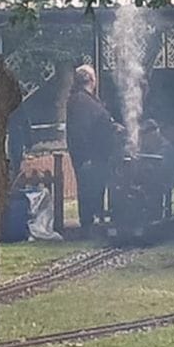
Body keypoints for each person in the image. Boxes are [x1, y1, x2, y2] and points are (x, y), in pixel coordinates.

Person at [65, 65, 124, 230]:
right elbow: (82, 130)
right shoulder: (80, 101)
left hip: (96, 154)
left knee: (96, 187)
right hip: (90, 156)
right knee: (88, 189)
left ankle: (94, 220)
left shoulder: (86, 99)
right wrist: (86, 157)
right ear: (91, 80)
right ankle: (89, 223)